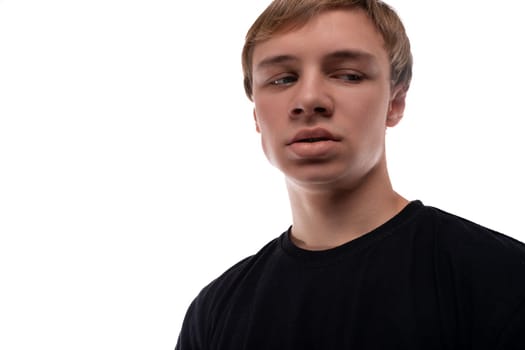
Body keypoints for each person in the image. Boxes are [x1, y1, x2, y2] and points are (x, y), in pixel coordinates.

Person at [175, 0, 525, 348]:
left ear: (395, 102)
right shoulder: (214, 313)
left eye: (347, 75)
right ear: (256, 115)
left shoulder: (501, 279)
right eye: (282, 79)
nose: (309, 98)